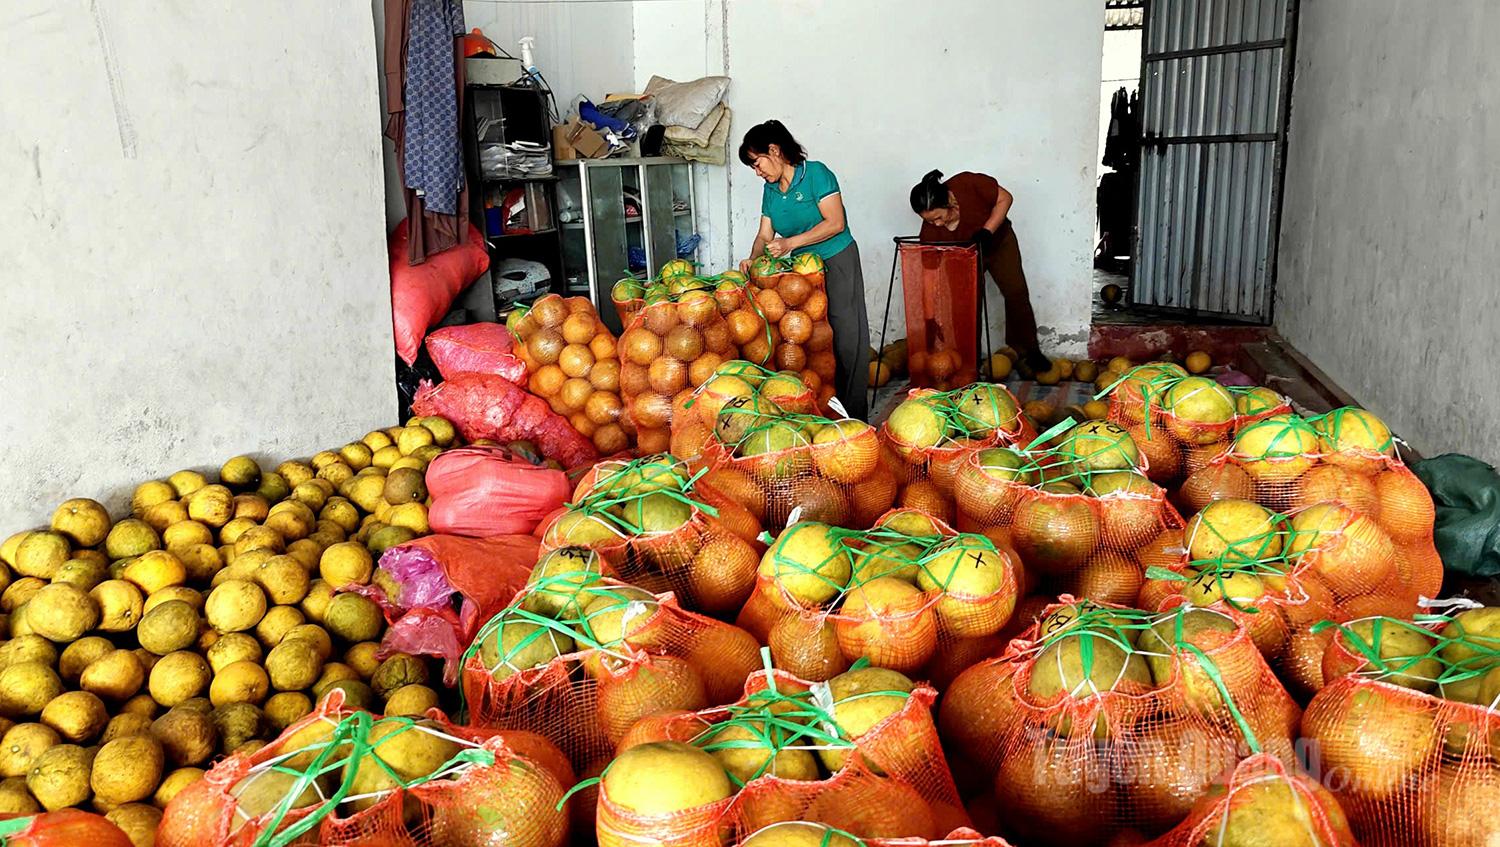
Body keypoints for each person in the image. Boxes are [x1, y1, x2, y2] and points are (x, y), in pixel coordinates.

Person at [738, 120, 870, 419]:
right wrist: (752, 259)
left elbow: (836, 223)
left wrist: (792, 242)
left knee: (848, 337)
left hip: (837, 260)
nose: (758, 172)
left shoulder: (816, 174)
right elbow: (764, 235)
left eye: (757, 163)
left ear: (775, 150)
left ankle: (854, 416)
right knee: (814, 341)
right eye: (753, 167)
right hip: (801, 273)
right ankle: (822, 412)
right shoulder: (771, 190)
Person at [911, 169, 1051, 375]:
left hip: (997, 243)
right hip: (961, 257)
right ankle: (969, 360)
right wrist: (930, 319)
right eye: (930, 221)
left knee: (1016, 292)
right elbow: (929, 278)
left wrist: (987, 231)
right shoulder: (931, 233)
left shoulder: (968, 184)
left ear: (949, 201)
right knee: (963, 306)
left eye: (939, 217)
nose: (937, 224)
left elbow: (1005, 198)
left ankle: (1028, 351)